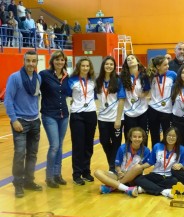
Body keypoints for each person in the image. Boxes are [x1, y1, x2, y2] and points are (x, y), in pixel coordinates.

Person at [4, 50, 42, 198]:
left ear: (36, 62)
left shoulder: (38, 78)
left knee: (32, 154)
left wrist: (37, 116)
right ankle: (18, 184)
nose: (31, 64)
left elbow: (36, 98)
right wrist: (14, 120)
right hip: (20, 122)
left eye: (34, 61)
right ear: (23, 61)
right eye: (28, 61)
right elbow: (8, 100)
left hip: (35, 121)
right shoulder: (15, 78)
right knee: (20, 154)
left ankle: (29, 181)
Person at [39, 50, 69, 188]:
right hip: (49, 115)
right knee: (54, 146)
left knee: (60, 146)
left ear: (65, 62)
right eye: (57, 59)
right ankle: (49, 176)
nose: (59, 62)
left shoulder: (66, 76)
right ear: (52, 61)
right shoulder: (44, 75)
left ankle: (57, 174)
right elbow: (33, 88)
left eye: (62, 60)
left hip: (63, 115)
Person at [94, 127, 151, 197]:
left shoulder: (146, 151)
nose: (137, 139)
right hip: (120, 175)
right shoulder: (123, 148)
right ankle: (127, 189)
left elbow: (140, 168)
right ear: (130, 138)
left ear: (143, 138)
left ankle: (112, 187)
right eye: (134, 137)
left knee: (138, 167)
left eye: (139, 137)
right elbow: (117, 165)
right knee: (97, 172)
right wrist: (119, 172)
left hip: (133, 177)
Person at [68, 57, 97, 185]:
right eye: (83, 66)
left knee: (88, 145)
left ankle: (86, 171)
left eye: (87, 66)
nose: (85, 68)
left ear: (90, 68)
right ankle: (77, 174)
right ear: (78, 67)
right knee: (78, 145)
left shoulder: (93, 82)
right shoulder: (71, 81)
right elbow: (66, 94)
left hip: (91, 114)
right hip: (77, 115)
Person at [134, 126, 184, 198]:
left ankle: (147, 189)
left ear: (177, 137)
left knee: (175, 181)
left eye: (174, 136)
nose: (171, 138)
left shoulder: (181, 149)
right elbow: (151, 162)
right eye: (169, 135)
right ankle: (163, 191)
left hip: (170, 177)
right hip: (156, 174)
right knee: (138, 179)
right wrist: (140, 167)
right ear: (165, 135)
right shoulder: (157, 146)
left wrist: (180, 165)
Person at [95, 56, 126, 172]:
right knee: (104, 141)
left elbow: (122, 100)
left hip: (116, 118)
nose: (109, 66)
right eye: (107, 64)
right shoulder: (98, 81)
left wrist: (118, 119)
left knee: (116, 144)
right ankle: (112, 163)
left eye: (111, 64)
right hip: (102, 118)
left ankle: (113, 167)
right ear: (103, 65)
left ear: (114, 67)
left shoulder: (118, 81)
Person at [120, 54, 150, 144]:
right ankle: (129, 157)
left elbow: (148, 90)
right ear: (126, 64)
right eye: (128, 59)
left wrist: (144, 94)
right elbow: (121, 96)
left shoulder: (144, 76)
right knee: (129, 139)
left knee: (143, 138)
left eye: (132, 58)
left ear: (137, 61)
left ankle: (143, 156)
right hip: (129, 113)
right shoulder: (123, 77)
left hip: (143, 112)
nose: (130, 60)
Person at [147, 55, 176, 147]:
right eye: (165, 65)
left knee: (168, 136)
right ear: (158, 67)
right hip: (153, 110)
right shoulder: (150, 75)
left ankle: (167, 156)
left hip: (167, 110)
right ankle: (156, 155)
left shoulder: (173, 75)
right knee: (154, 136)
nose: (168, 66)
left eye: (168, 64)